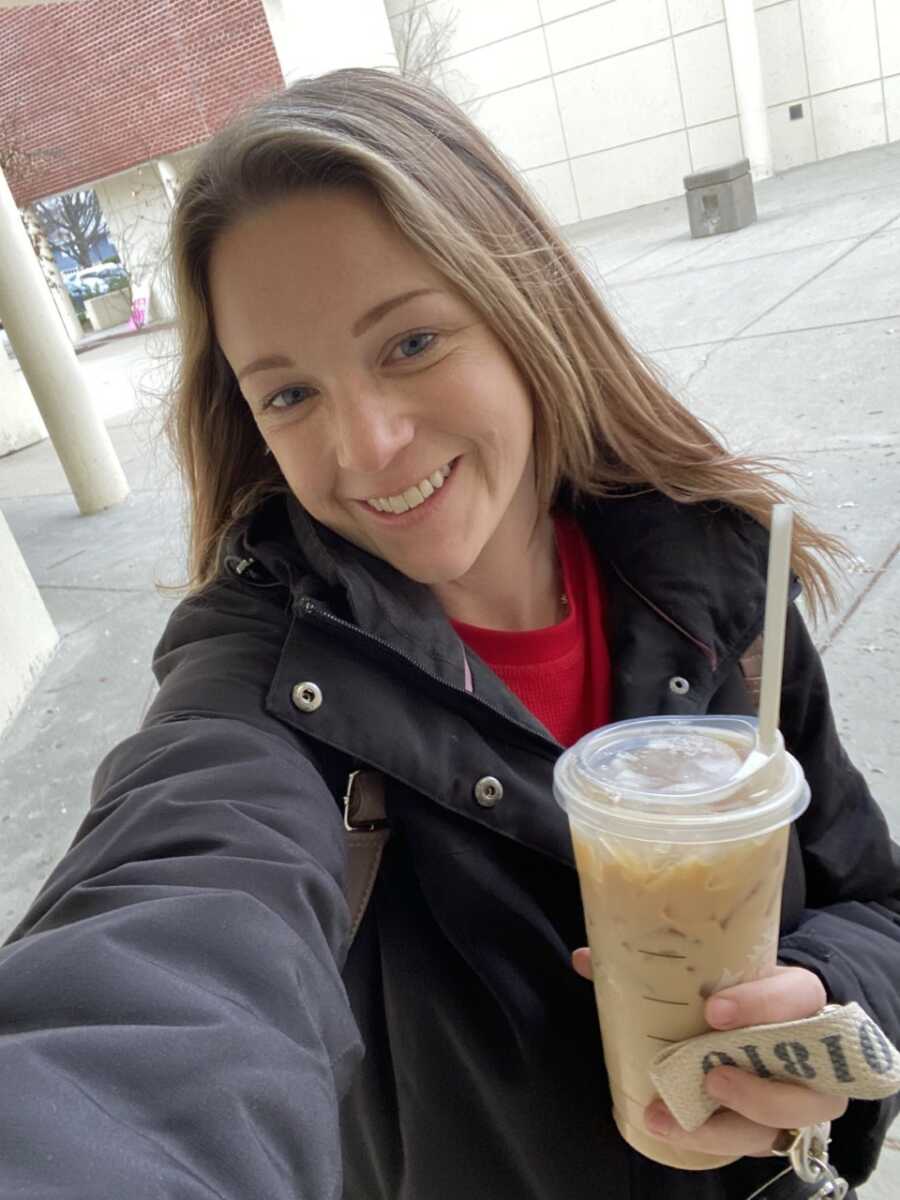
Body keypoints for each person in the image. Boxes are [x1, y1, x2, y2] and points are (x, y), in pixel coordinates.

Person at [1, 68, 898, 1200]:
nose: (367, 444)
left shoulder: (718, 577)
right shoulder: (271, 678)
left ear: (522, 310)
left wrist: (820, 1000)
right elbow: (180, 917)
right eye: (289, 396)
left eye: (412, 343)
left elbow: (874, 902)